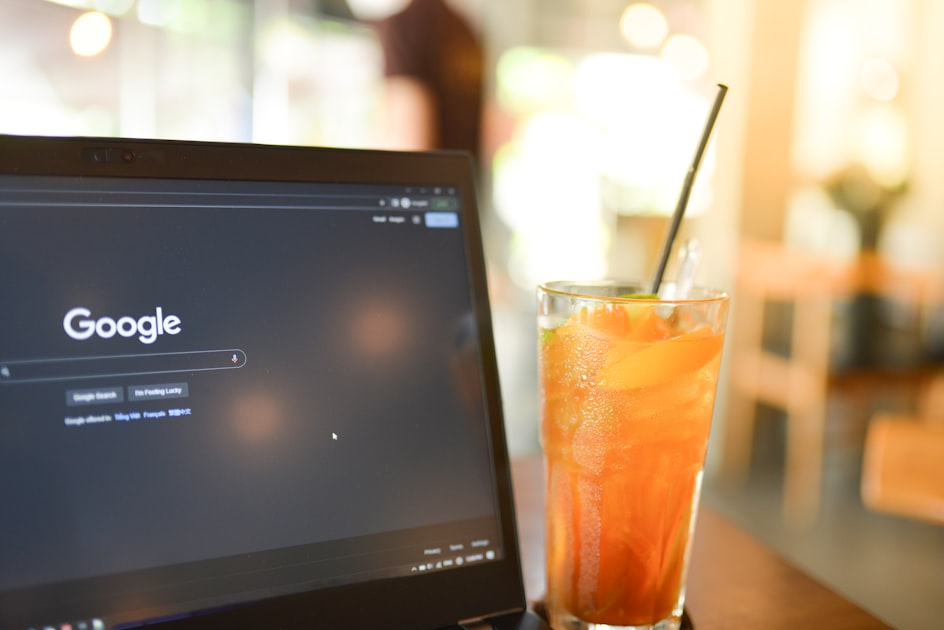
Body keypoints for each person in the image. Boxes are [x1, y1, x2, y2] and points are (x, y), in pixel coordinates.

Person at [359, 0, 484, 158]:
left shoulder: (404, 24)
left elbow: (409, 140)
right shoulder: (463, 27)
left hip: (423, 179)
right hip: (459, 179)